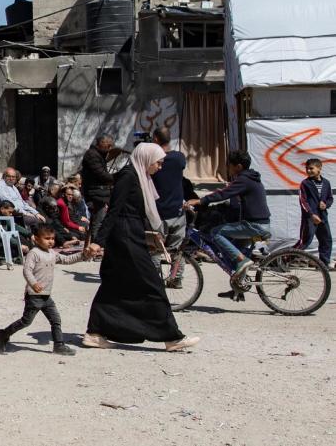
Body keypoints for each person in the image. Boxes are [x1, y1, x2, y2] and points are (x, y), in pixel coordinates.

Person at [85, 142, 198, 352]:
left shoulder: (139, 177)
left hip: (130, 235)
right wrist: (97, 241)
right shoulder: (128, 176)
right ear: (146, 158)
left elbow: (137, 212)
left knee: (113, 285)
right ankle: (172, 337)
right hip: (124, 239)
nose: (160, 167)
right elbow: (115, 210)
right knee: (153, 284)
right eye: (158, 162)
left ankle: (94, 333)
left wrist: (152, 234)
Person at [0, 225, 81, 356]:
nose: (51, 241)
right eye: (47, 238)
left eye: (52, 238)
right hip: (34, 295)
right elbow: (26, 270)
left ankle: (59, 345)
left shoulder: (52, 253)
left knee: (55, 320)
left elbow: (66, 260)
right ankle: (3, 333)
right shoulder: (33, 253)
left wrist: (83, 255)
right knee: (26, 321)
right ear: (36, 239)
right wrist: (33, 283)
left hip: (46, 296)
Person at [187, 150, 271, 277]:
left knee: (216, 232)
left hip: (254, 226)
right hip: (259, 224)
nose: (228, 168)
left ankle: (242, 260)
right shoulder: (251, 178)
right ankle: (238, 287)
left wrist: (200, 200)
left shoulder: (244, 180)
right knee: (233, 249)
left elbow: (223, 194)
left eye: (229, 165)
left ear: (238, 166)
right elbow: (230, 194)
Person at [150, 127, 188, 276]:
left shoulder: (153, 161)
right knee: (177, 249)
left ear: (155, 140)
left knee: (155, 249)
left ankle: (154, 279)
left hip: (158, 213)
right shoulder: (179, 157)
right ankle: (176, 278)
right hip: (178, 212)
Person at [81, 135, 120, 240]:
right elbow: (100, 174)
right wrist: (117, 177)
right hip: (95, 193)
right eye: (108, 146)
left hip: (98, 192)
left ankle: (91, 244)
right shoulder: (92, 155)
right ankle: (96, 244)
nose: (110, 148)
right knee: (98, 221)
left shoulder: (98, 154)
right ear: (102, 143)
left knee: (97, 220)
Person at [296, 158, 333, 269]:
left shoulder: (326, 183)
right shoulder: (305, 183)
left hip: (323, 216)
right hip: (310, 218)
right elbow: (303, 201)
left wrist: (326, 204)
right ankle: (285, 259)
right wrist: (311, 214)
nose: (308, 171)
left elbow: (330, 198)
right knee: (305, 240)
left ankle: (323, 264)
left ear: (319, 168)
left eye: (311, 168)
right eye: (307, 168)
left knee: (326, 239)